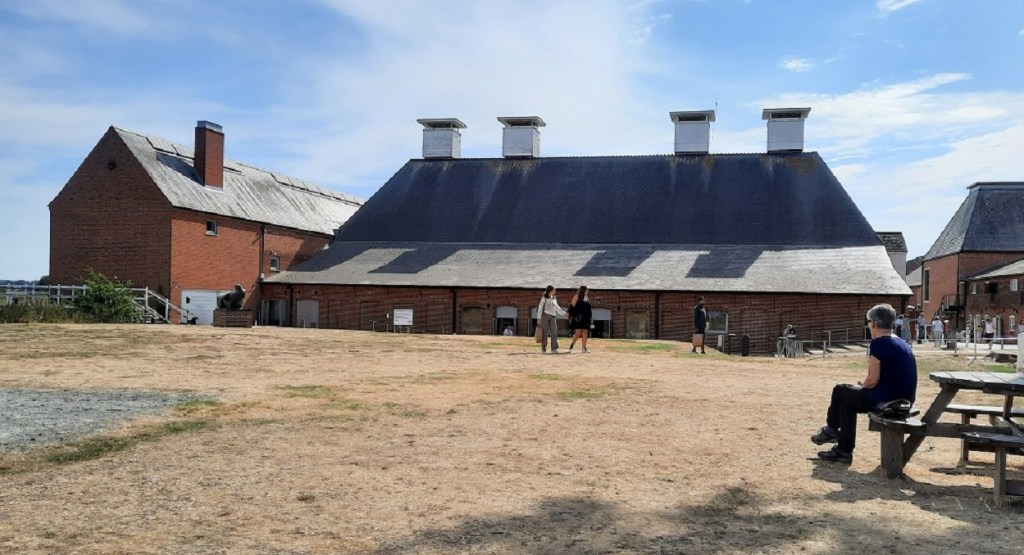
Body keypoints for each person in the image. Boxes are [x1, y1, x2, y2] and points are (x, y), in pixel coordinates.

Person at [811, 303, 917, 463]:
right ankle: (843, 451)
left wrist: (863, 386)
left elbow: (872, 380)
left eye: (868, 322)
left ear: (874, 323)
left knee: (840, 390)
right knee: (847, 404)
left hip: (887, 401)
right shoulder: (902, 343)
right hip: (905, 399)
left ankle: (831, 430)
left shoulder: (879, 344)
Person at [536, 285, 567, 354]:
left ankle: (554, 348)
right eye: (554, 290)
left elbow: (557, 307)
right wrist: (538, 318)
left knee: (554, 332)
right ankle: (544, 347)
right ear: (550, 291)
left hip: (553, 316)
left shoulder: (554, 298)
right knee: (545, 332)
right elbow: (540, 308)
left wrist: (563, 313)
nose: (555, 291)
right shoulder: (544, 298)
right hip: (545, 316)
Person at [567, 285, 594, 353]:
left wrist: (590, 317)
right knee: (578, 333)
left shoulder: (586, 298)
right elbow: (572, 306)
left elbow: (589, 309)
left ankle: (584, 348)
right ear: (584, 290)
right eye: (587, 290)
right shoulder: (577, 296)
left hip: (585, 318)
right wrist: (569, 314)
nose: (588, 291)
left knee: (585, 332)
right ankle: (571, 345)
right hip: (578, 318)